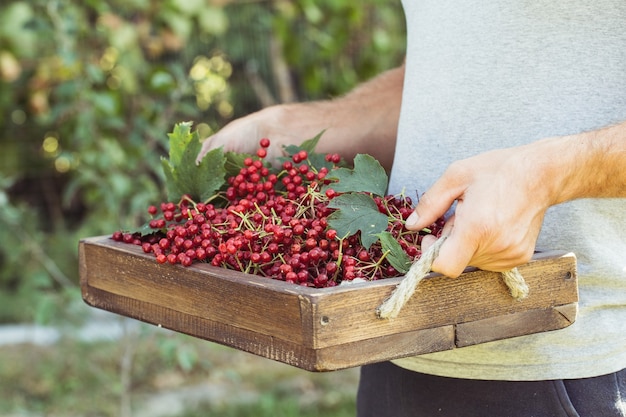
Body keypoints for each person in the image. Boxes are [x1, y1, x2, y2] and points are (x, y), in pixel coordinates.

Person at [198, 1, 626, 415]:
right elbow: (441, 78)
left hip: (559, 358)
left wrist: (548, 175)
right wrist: (281, 129)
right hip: (393, 335)